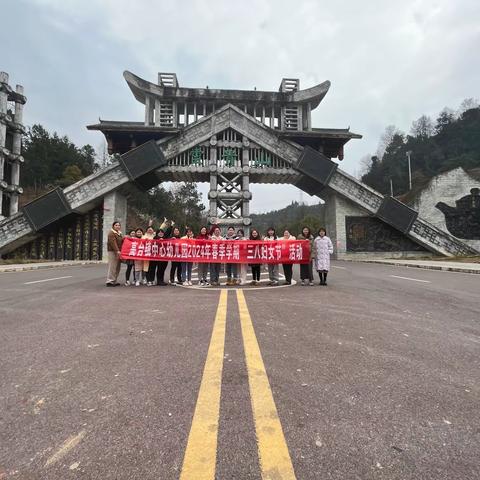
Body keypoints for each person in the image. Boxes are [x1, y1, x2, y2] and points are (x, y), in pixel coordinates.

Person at [106, 221, 123, 286]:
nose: (118, 226)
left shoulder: (119, 233)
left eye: (119, 225)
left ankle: (114, 280)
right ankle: (109, 281)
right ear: (113, 226)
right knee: (112, 266)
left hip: (118, 252)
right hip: (113, 252)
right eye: (116, 225)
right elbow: (113, 243)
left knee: (117, 266)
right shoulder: (111, 233)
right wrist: (117, 250)